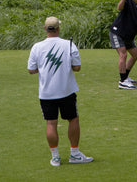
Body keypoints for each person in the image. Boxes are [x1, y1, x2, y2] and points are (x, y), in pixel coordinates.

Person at [27, 16, 93, 167]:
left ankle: (55, 157)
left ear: (45, 29)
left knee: (51, 123)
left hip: (46, 93)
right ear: (58, 28)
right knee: (73, 119)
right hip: (66, 91)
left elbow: (31, 70)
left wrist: (43, 68)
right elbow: (77, 67)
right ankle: (75, 154)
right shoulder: (68, 45)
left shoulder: (37, 47)